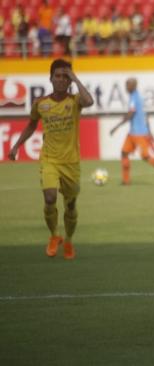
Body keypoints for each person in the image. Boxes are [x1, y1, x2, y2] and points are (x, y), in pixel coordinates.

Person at [8, 59, 94, 260]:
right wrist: (16, 145)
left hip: (71, 163)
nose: (61, 80)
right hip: (49, 160)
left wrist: (74, 76)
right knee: (49, 198)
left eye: (65, 77)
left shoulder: (75, 101)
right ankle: (54, 236)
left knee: (71, 205)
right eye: (58, 76)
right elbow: (31, 126)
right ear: (50, 78)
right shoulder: (41, 104)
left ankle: (69, 240)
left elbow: (89, 101)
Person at [109, 78, 154, 186]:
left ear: (133, 86)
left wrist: (116, 127)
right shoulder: (137, 97)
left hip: (139, 134)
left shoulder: (134, 98)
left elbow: (131, 114)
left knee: (145, 156)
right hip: (132, 133)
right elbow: (145, 116)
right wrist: (149, 130)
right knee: (124, 153)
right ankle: (126, 181)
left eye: (127, 85)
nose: (126, 87)